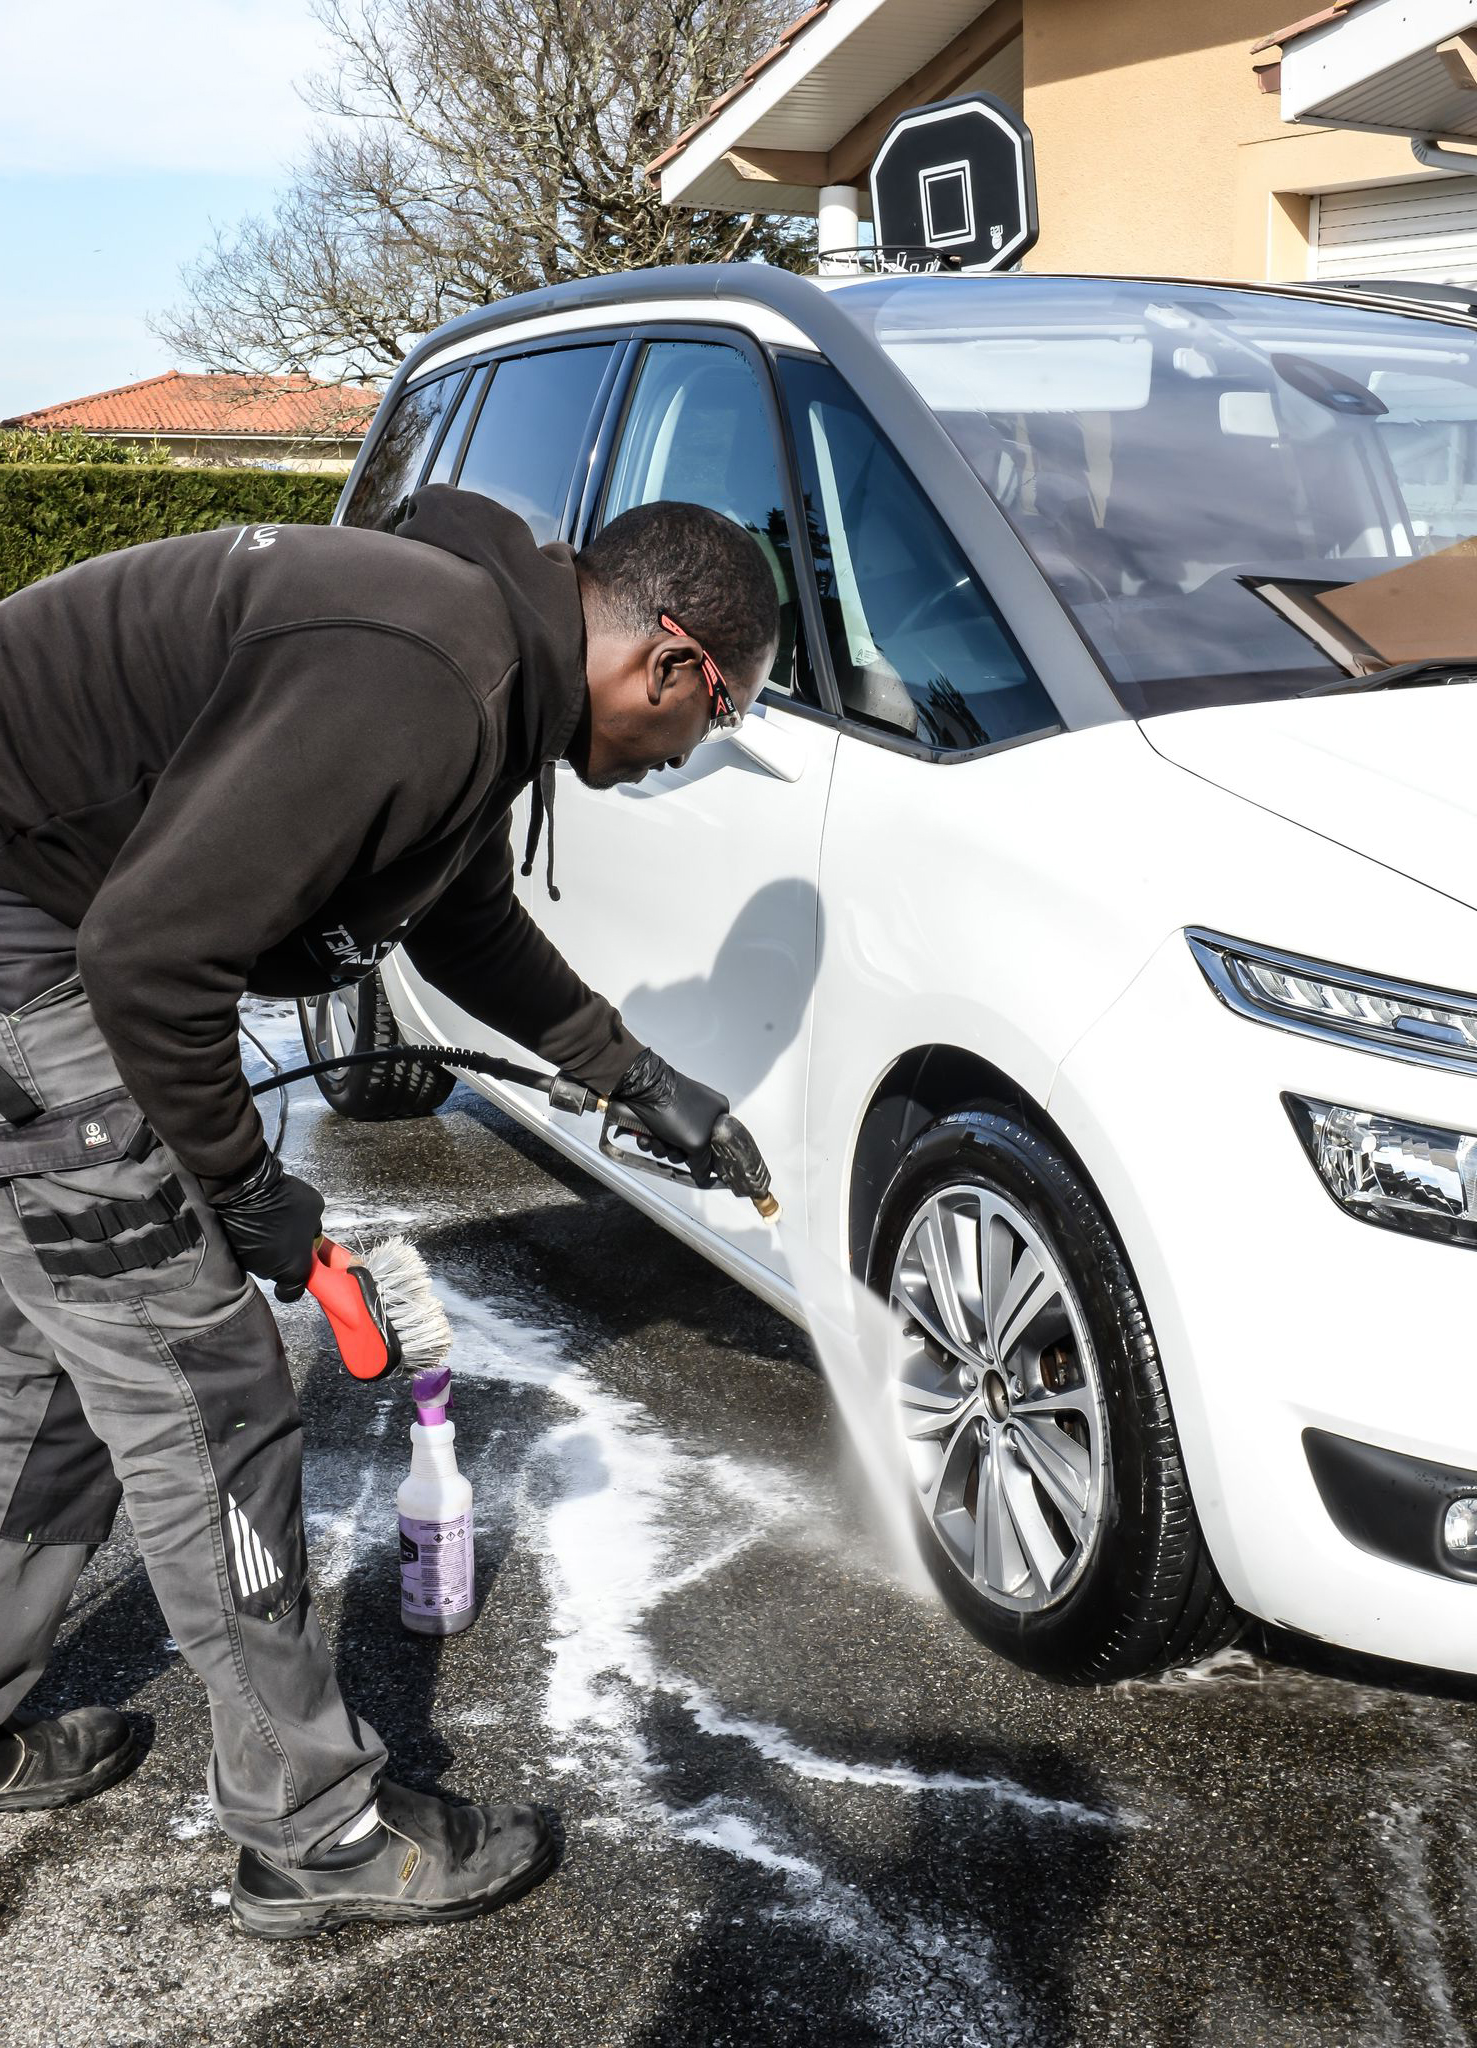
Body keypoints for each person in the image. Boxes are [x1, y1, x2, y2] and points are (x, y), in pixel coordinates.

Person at [0, 486, 779, 1938]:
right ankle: (312, 1835)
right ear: (669, 660)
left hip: (40, 916)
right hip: (31, 943)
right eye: (716, 715)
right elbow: (151, 957)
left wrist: (629, 1071)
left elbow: (461, 916)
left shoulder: (478, 659)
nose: (690, 749)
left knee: (66, 1367)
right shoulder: (425, 670)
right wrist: (248, 1196)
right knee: (206, 1391)